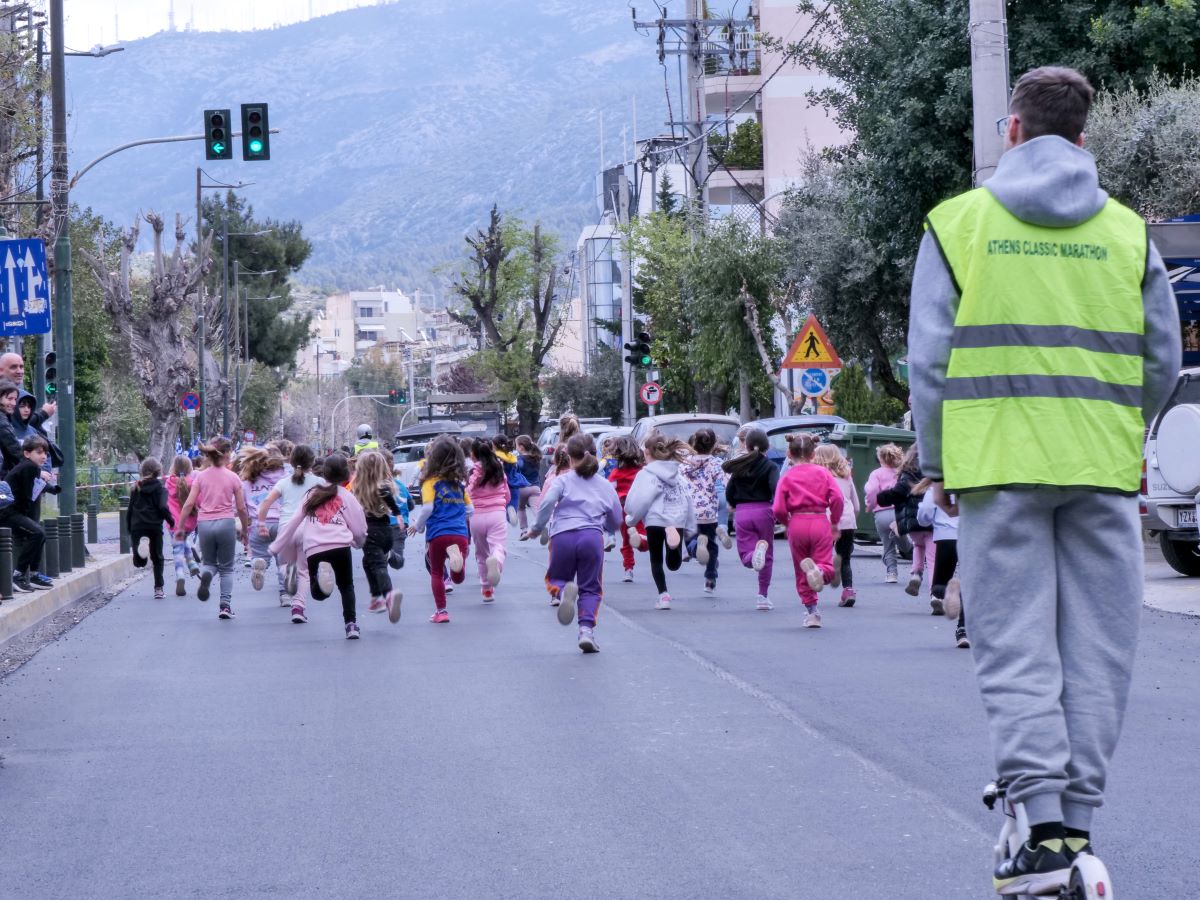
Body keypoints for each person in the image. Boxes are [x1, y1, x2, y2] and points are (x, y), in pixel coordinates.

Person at [909, 66, 1181, 894]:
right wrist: (1114, 424)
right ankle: (1080, 825)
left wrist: (937, 463)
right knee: (1099, 651)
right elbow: (1162, 360)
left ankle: (1043, 830)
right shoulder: (1128, 233)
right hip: (1099, 466)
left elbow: (929, 361)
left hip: (996, 468)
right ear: (1084, 138)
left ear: (1013, 131)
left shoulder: (958, 223)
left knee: (1016, 647)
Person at [528, 433, 623, 653]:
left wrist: (537, 527)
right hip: (591, 537)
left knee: (557, 579)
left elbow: (547, 503)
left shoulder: (562, 480)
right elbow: (616, 516)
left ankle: (563, 593)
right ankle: (586, 631)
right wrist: (608, 527)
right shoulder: (605, 485)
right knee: (591, 588)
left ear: (569, 457)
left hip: (562, 536)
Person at [270, 453, 367, 639]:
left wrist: (277, 545)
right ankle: (351, 625)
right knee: (346, 586)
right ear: (346, 474)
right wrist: (358, 542)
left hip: (315, 547)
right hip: (340, 545)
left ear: (324, 473)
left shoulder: (311, 494)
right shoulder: (347, 497)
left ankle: (321, 580)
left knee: (318, 594)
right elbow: (359, 526)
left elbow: (294, 521)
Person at [174, 438, 251, 620]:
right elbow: (241, 508)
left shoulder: (200, 477)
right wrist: (245, 529)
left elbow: (189, 504)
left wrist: (180, 527)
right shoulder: (233, 477)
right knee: (227, 568)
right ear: (227, 454)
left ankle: (207, 574)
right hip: (225, 523)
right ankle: (225, 606)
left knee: (209, 563)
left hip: (205, 525)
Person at [773, 434, 844, 628]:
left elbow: (778, 508)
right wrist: (835, 521)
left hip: (797, 522)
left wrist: (786, 522)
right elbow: (837, 498)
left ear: (789, 453)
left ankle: (812, 613)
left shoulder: (787, 476)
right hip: (819, 520)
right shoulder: (823, 473)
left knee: (801, 569)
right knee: (825, 562)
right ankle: (820, 571)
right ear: (814, 454)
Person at [622, 433, 696, 611]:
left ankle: (663, 596)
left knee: (656, 560)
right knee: (674, 564)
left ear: (646, 452)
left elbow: (640, 500)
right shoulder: (677, 475)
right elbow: (688, 498)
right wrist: (690, 527)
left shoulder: (645, 474)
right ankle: (673, 547)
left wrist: (631, 518)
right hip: (676, 519)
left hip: (655, 520)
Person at [257, 444, 325, 620]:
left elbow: (266, 502)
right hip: (307, 530)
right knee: (304, 571)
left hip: (285, 529)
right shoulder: (319, 483)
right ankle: (298, 608)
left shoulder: (283, 482)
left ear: (292, 461)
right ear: (312, 462)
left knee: (284, 564)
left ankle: (287, 573)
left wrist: (262, 523)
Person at [409, 436, 471, 623]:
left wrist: (418, 526)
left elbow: (427, 508)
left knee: (436, 571)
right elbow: (471, 510)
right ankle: (457, 568)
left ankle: (441, 612)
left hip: (438, 534)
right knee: (458, 577)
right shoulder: (459, 485)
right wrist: (458, 519)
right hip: (460, 534)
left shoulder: (430, 483)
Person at [722, 428, 779, 611]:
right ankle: (762, 596)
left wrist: (733, 504)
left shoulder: (740, 466)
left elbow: (729, 490)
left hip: (743, 512)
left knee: (746, 553)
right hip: (764, 512)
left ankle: (752, 556)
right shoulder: (771, 466)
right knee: (767, 556)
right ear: (767, 446)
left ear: (746, 445)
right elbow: (775, 488)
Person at [877, 445, 937, 606]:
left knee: (918, 545)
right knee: (933, 559)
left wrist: (881, 497)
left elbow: (896, 493)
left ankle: (916, 574)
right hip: (933, 523)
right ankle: (935, 595)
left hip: (913, 523)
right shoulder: (936, 473)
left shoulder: (907, 474)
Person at [350, 450, 402, 624]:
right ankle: (376, 598)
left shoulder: (358, 489)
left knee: (378, 566)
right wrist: (398, 515)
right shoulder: (384, 486)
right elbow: (390, 500)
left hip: (370, 533)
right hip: (387, 531)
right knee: (368, 562)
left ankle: (388, 595)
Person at [1, 435, 57, 591]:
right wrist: (28, 519)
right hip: (7, 513)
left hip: (13, 512)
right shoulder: (29, 467)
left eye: (45, 453)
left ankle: (33, 575)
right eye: (39, 452)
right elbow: (27, 497)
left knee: (39, 532)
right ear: (27, 453)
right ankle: (18, 576)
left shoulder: (30, 467)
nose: (44, 456)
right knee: (38, 533)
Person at [916, 480, 967, 648]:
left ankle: (952, 591)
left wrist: (925, 521)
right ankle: (963, 630)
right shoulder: (970, 480)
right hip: (970, 534)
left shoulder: (938, 482)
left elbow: (925, 512)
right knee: (971, 585)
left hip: (946, 537)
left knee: (938, 588)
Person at [814, 444, 860, 607]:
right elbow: (856, 505)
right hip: (847, 521)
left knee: (821, 556)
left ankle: (820, 577)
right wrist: (852, 521)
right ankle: (848, 591)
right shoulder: (846, 476)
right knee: (845, 558)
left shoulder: (819, 477)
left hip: (826, 520)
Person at [681, 428, 726, 595]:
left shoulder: (685, 463)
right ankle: (710, 578)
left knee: (689, 541)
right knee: (712, 545)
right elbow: (725, 483)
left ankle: (695, 548)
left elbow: (677, 483)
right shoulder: (716, 463)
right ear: (713, 445)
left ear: (693, 443)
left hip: (690, 511)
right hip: (709, 512)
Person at [240, 447, 288, 604]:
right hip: (283, 524)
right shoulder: (287, 477)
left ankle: (258, 564)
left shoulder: (250, 479)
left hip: (259, 524)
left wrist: (245, 526)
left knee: (260, 556)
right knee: (284, 561)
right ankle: (285, 595)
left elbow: (239, 506)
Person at [468, 438, 511, 602]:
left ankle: (486, 589)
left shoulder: (473, 473)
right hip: (497, 514)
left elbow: (467, 493)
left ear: (473, 455)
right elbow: (507, 494)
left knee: (481, 553)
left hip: (476, 516)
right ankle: (496, 562)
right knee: (498, 547)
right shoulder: (499, 469)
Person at [127, 457, 174, 599]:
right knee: (157, 557)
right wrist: (171, 521)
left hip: (137, 526)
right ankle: (158, 589)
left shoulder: (136, 488)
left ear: (142, 471)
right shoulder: (161, 489)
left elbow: (130, 510)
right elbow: (163, 507)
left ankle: (142, 552)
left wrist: (129, 528)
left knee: (139, 562)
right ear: (158, 472)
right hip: (154, 526)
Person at [606, 436, 647, 581]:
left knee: (626, 541)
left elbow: (609, 491)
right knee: (643, 536)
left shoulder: (615, 473)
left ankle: (628, 569)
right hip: (639, 508)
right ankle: (640, 541)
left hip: (622, 509)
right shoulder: (642, 471)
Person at [864, 443, 906, 584]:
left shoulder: (876, 474)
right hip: (899, 512)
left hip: (882, 513)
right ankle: (907, 548)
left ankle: (891, 573)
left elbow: (872, 490)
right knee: (905, 542)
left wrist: (870, 505)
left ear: (880, 459)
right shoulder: (901, 473)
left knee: (887, 545)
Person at [166, 455, 199, 596]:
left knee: (177, 549)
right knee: (184, 539)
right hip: (189, 523)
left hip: (174, 523)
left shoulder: (169, 482)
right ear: (189, 468)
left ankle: (180, 573)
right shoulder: (192, 483)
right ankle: (191, 562)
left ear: (173, 468)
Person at [492, 434, 528, 527]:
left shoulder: (495, 456)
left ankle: (507, 515)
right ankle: (512, 511)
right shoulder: (511, 456)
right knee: (513, 502)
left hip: (502, 484)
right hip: (514, 483)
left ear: (495, 445)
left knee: (502, 505)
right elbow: (519, 467)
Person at [514, 434, 543, 534]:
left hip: (522, 488)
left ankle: (524, 529)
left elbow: (520, 466)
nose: (515, 447)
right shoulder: (536, 458)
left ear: (521, 447)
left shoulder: (519, 459)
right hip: (535, 488)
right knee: (536, 508)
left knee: (521, 508)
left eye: (516, 445)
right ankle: (541, 525)